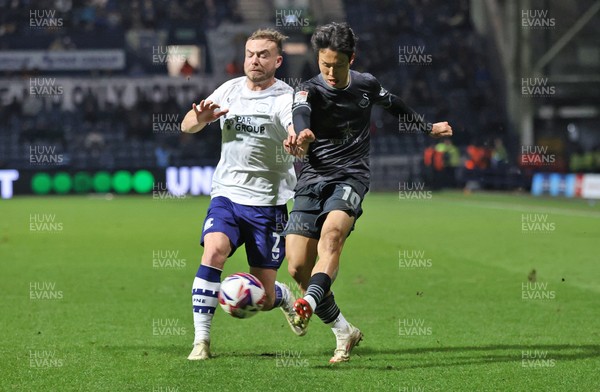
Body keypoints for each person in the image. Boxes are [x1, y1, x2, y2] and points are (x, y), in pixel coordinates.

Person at [284, 22, 453, 363]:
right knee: (297, 267)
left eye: (338, 65)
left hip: (351, 176)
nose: (330, 72)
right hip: (312, 178)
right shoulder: (307, 89)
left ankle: (309, 303)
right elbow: (300, 113)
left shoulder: (366, 85)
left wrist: (428, 127)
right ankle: (343, 330)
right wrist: (302, 134)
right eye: (324, 64)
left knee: (332, 237)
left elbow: (395, 105)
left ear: (352, 59)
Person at [180, 28, 302, 360]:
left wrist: (296, 140)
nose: (254, 60)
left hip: (268, 204)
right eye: (250, 53)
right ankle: (201, 341)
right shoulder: (229, 90)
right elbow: (186, 124)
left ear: (277, 60)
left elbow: (296, 129)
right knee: (214, 250)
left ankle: (282, 297)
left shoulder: (285, 98)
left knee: (261, 298)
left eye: (263, 55)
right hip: (227, 195)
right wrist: (199, 120)